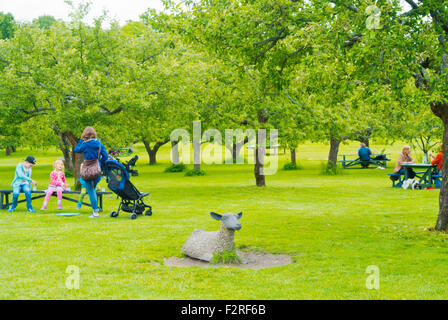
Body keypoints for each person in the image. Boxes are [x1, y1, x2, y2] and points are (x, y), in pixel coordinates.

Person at [74, 126, 109, 218]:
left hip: (88, 171)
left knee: (91, 190)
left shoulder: (85, 144)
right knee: (92, 189)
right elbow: (105, 156)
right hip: (97, 171)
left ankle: (95, 212)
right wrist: (99, 164)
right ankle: (95, 210)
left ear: (84, 135)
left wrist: (81, 141)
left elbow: (76, 150)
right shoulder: (99, 144)